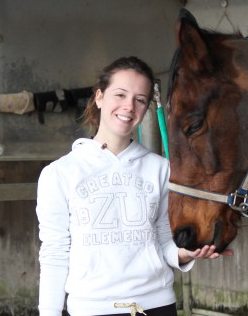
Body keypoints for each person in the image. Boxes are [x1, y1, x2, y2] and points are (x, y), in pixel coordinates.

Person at [36, 56, 233, 316]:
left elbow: (163, 238)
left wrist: (185, 254)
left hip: (157, 305)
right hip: (90, 308)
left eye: (140, 100)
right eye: (120, 94)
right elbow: (55, 253)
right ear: (99, 97)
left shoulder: (161, 168)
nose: (128, 106)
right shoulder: (59, 174)